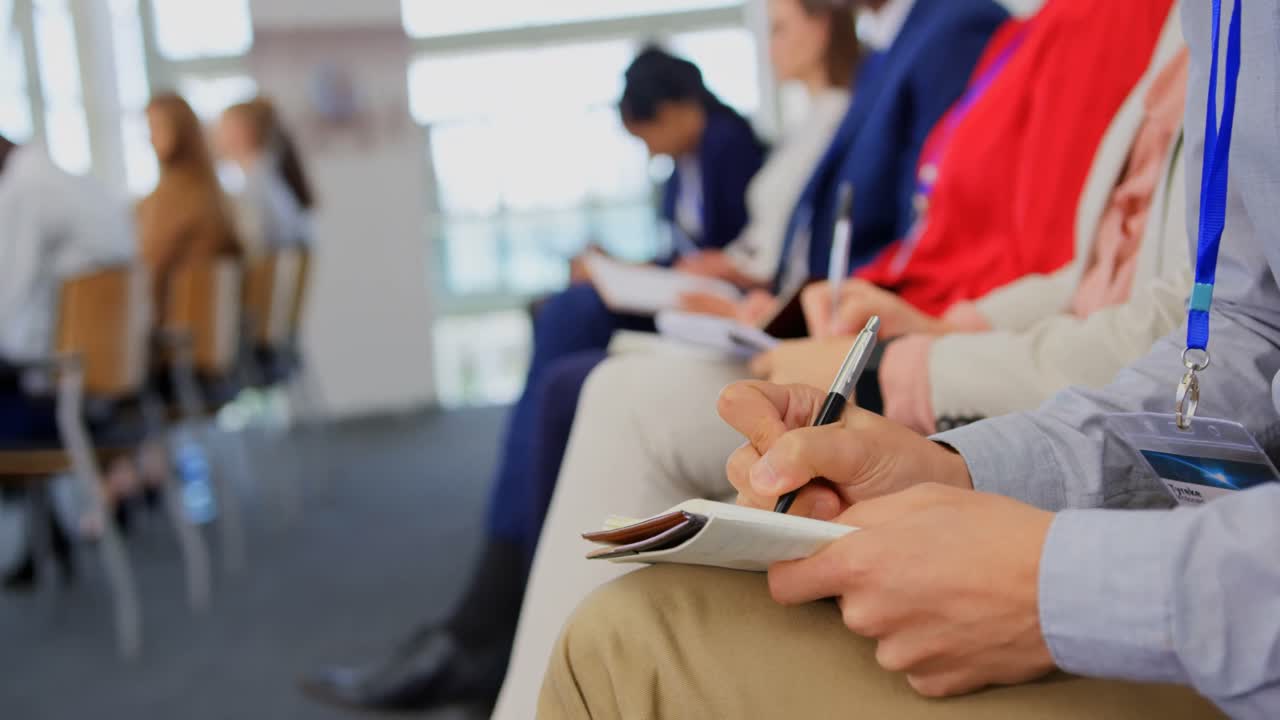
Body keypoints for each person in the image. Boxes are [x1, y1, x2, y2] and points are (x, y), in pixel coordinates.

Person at [540, 0, 1276, 716]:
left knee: (622, 640)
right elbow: (1237, 338)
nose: (771, 42)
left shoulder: (1007, 28)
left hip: (1220, 607)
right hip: (1205, 534)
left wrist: (1056, 587)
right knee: (640, 603)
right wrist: (957, 470)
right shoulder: (1206, 19)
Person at [298, 10, 853, 712]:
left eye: (781, 27)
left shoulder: (731, 143)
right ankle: (492, 615)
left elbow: (755, 254)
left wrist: (691, 276)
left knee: (567, 332)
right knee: (560, 323)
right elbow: (718, 247)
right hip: (731, 293)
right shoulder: (762, 139)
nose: (770, 45)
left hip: (751, 305)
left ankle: (488, 620)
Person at [0, 133, 137, 588]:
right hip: (114, 386)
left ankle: (43, 538)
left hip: (69, 396)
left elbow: (9, 309)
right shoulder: (77, 183)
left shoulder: (22, 194)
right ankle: (47, 537)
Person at [136, 93, 241, 318]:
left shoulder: (178, 199)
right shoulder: (210, 189)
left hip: (182, 323)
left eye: (156, 127)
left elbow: (149, 270)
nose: (150, 138)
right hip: (210, 320)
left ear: (181, 130)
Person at [216, 97, 315, 258]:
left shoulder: (257, 188)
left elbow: (255, 247)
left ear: (244, 132)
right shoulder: (267, 178)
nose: (216, 136)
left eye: (222, 129)